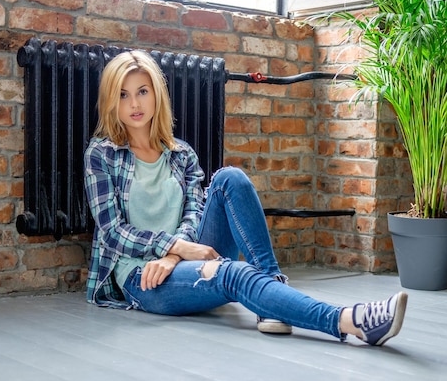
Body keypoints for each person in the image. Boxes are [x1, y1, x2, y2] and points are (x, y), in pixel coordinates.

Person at [83, 50, 408, 346]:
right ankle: (350, 320)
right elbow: (112, 233)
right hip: (144, 277)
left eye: (142, 91)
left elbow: (193, 214)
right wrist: (174, 248)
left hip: (182, 256)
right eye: (123, 95)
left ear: (156, 95)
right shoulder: (102, 154)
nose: (135, 104)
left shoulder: (180, 154)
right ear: (112, 101)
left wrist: (176, 254)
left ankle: (271, 296)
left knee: (230, 178)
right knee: (232, 272)